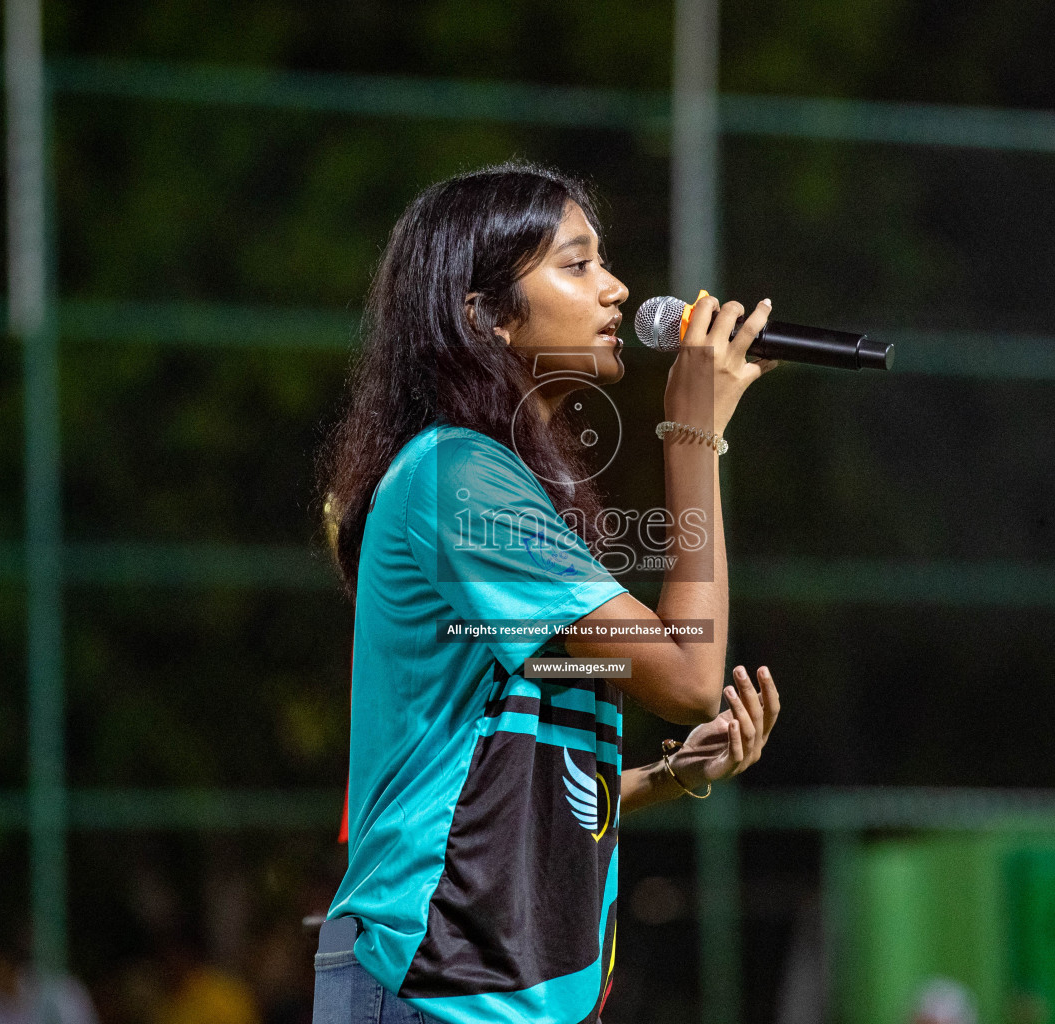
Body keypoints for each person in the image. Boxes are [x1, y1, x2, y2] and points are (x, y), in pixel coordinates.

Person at [313, 161, 782, 1024]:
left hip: (502, 992)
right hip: (438, 982)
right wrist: (690, 436)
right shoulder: (458, 478)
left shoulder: (497, 482)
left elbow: (497, 756)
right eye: (577, 264)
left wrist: (671, 775)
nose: (618, 289)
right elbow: (685, 677)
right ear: (484, 314)